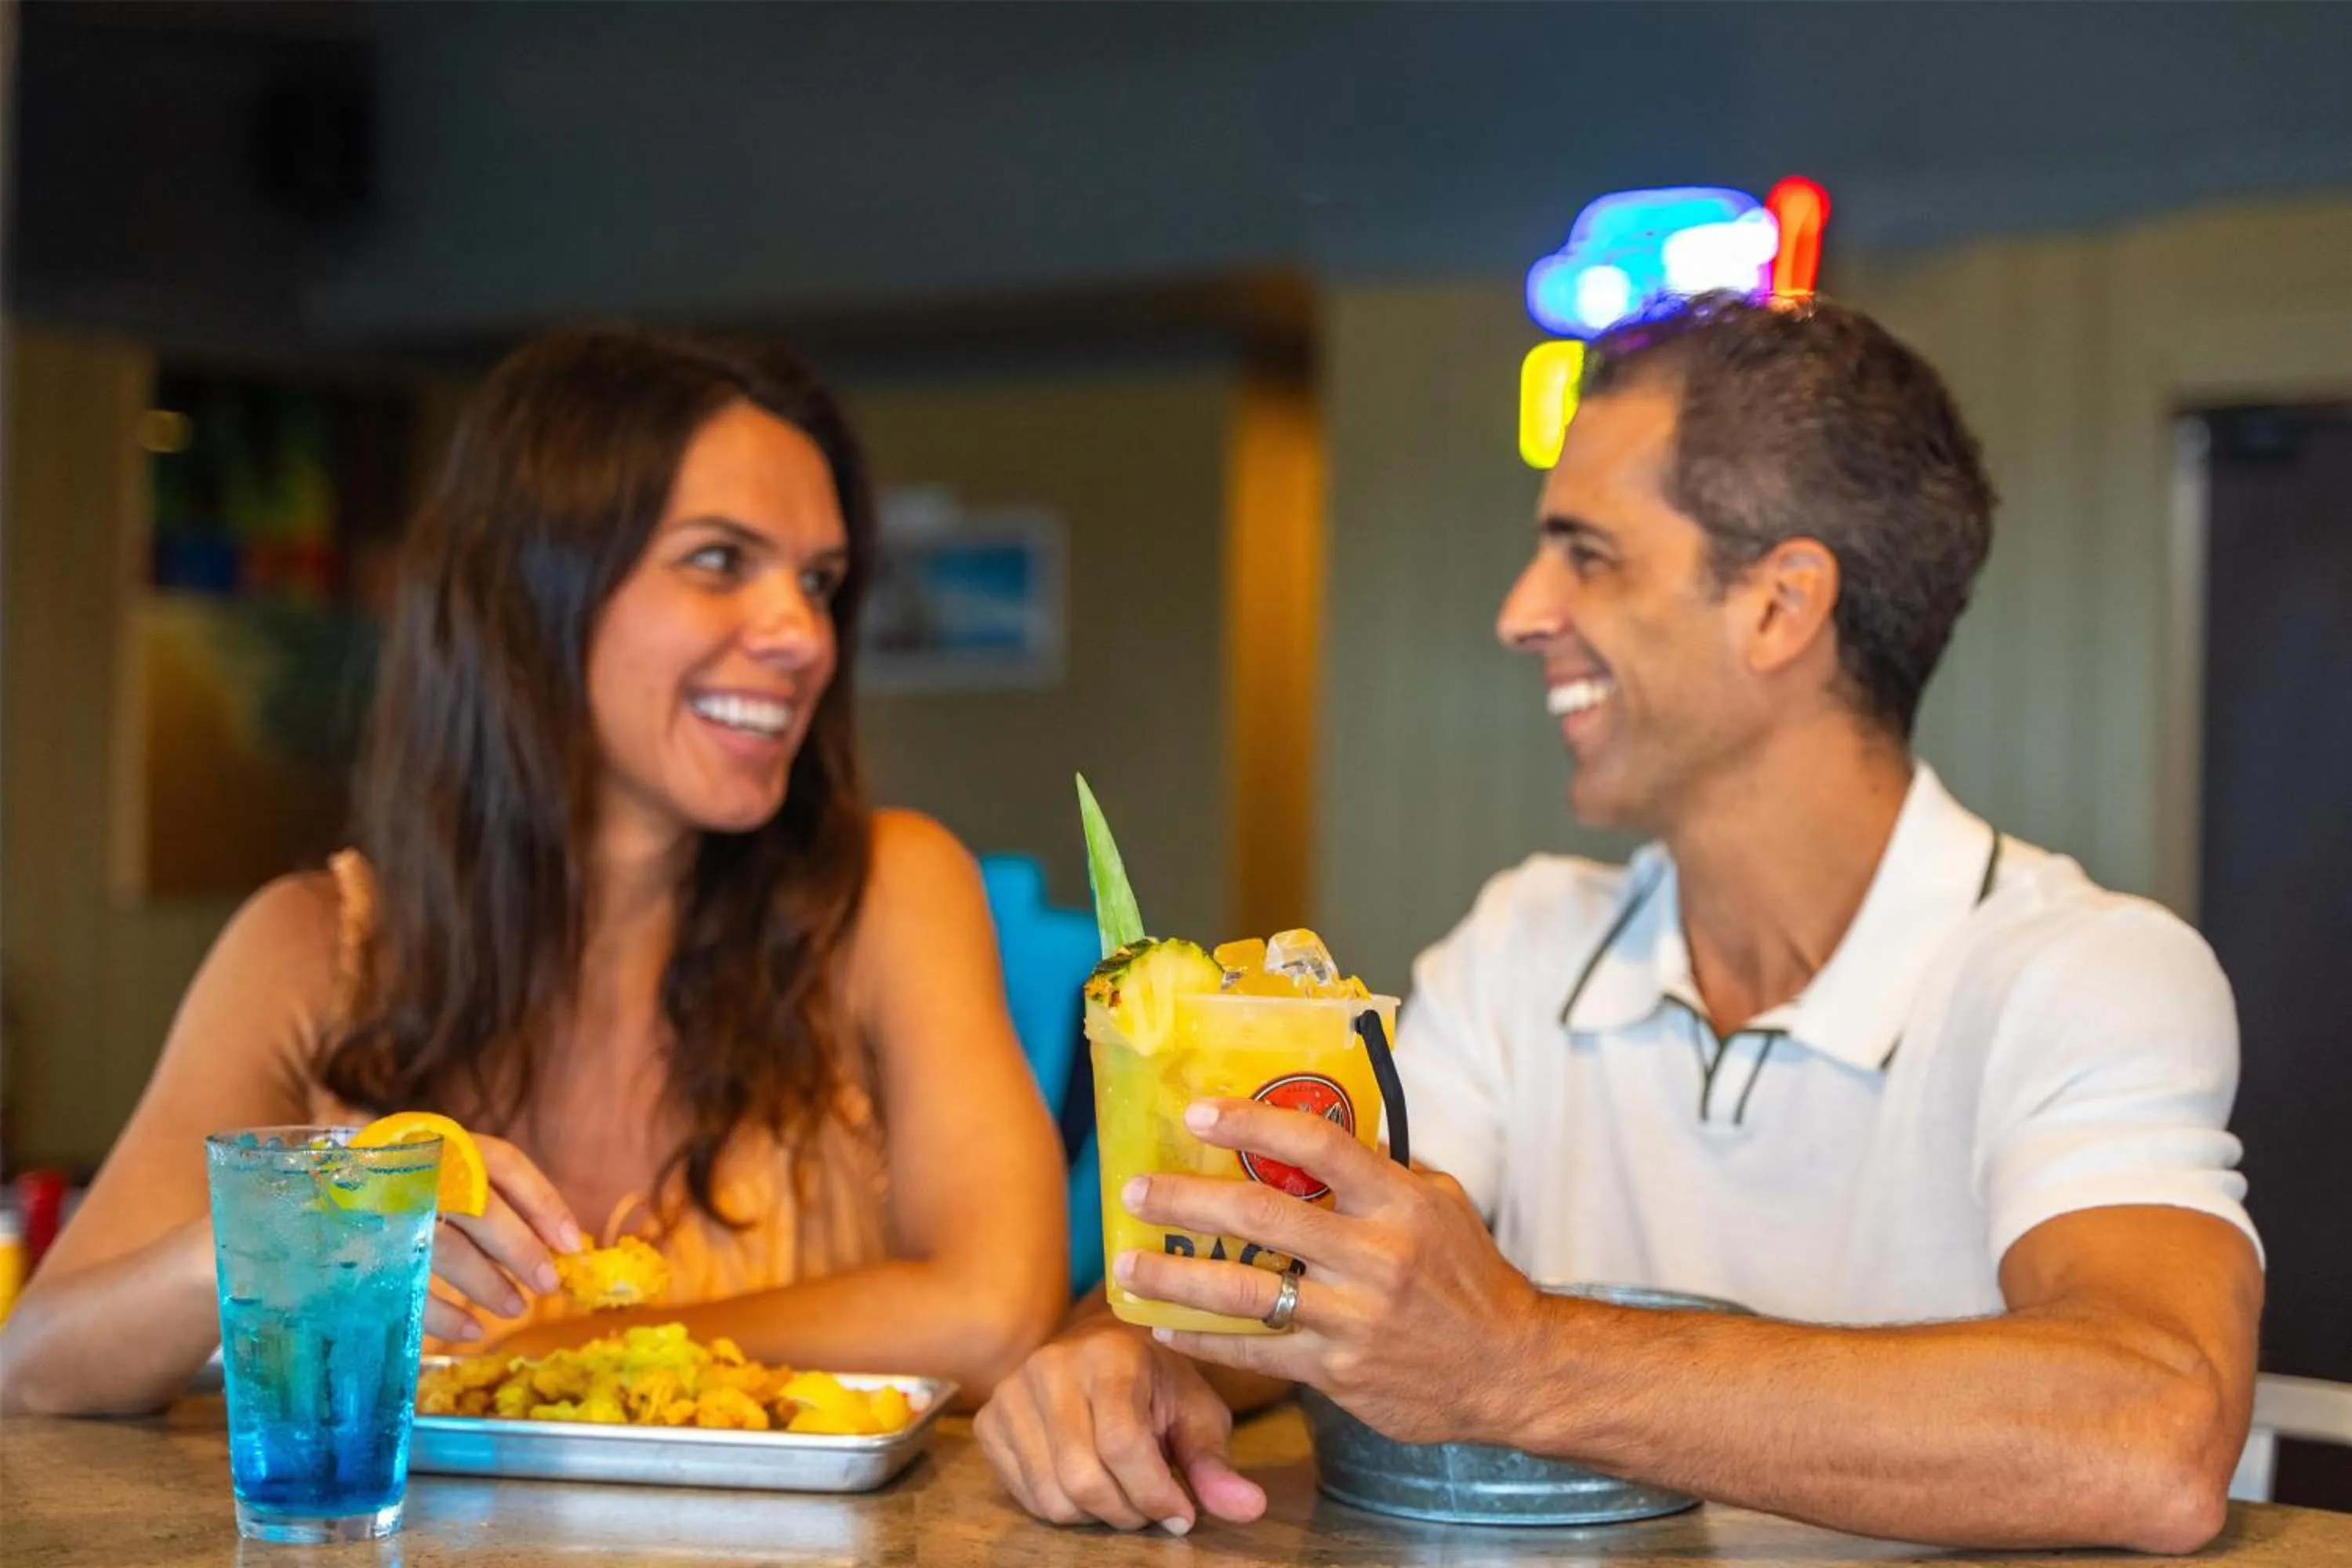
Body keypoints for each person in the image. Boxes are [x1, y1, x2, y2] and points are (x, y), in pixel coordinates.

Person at [976, 295, 2262, 1553]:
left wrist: (1522, 1360)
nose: (1522, 611)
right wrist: (1119, 1355)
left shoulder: (2086, 971)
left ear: (1780, 605)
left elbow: (2150, 1431)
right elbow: (1323, 1263)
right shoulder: (1522, 945)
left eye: (1587, 552)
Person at [1, 328, 1069, 1414]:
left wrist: (554, 1347)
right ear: (531, 591)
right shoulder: (317, 946)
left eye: (821, 581)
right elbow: (36, 1364)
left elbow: (993, 1313)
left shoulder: (892, 890)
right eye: (718, 560)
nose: (804, 633)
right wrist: (284, 1222)